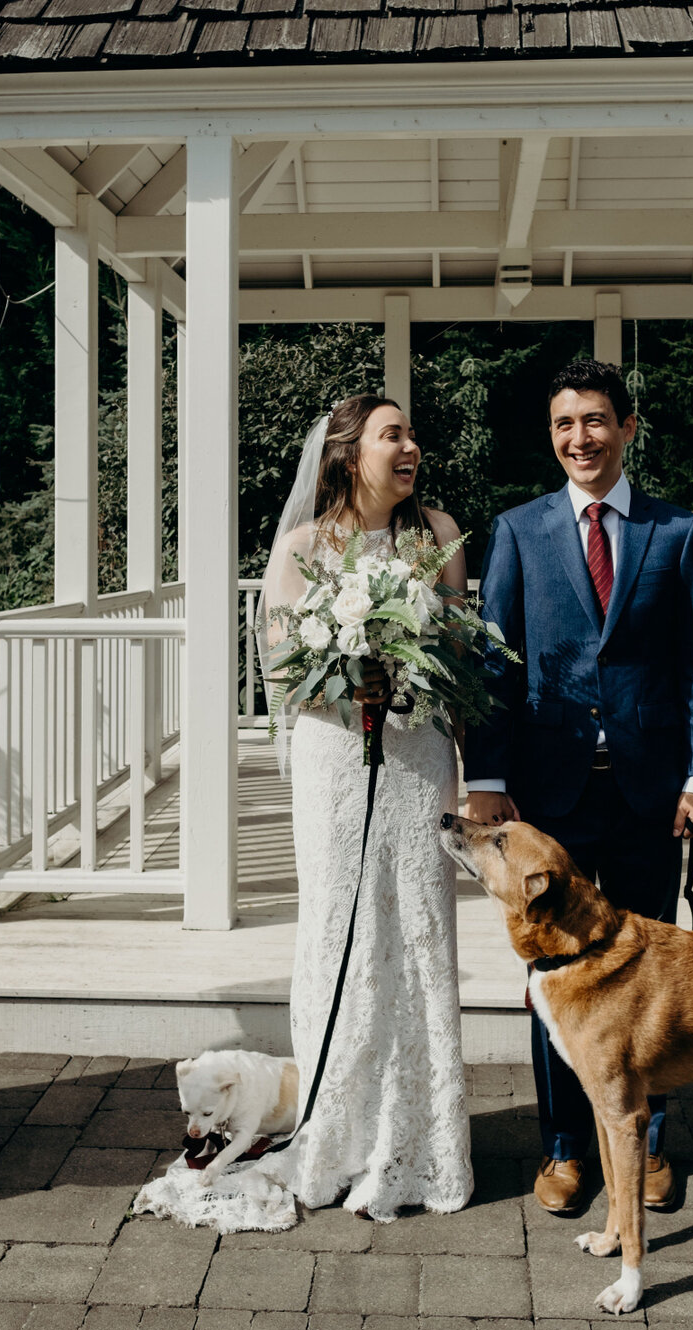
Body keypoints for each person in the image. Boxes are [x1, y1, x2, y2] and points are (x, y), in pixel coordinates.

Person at [463, 358, 693, 1215]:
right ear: (552, 435)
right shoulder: (518, 531)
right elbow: (496, 665)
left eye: (598, 420)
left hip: (649, 792)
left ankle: (643, 1143)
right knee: (558, 977)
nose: (583, 437)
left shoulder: (676, 533)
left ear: (627, 429)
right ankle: (568, 1148)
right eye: (567, 424)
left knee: (653, 980)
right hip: (551, 798)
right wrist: (490, 777)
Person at [255, 394, 474, 1222]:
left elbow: (458, 655)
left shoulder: (440, 535)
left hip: (418, 761)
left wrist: (414, 671)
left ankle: (420, 1147)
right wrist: (351, 678)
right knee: (338, 928)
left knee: (418, 929)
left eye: (412, 434)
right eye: (394, 435)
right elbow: (281, 673)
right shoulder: (304, 547)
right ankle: (337, 1138)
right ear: (350, 455)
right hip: (336, 766)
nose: (411, 446)